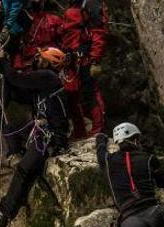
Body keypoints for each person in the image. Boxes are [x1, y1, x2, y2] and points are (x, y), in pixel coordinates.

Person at [0, 47, 70, 227]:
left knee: (24, 170)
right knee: (12, 131)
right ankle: (15, 151)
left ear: (48, 62)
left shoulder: (48, 77)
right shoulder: (45, 85)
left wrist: (2, 61)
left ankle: (2, 217)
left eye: (40, 57)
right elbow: (18, 89)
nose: (36, 59)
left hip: (50, 139)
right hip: (44, 134)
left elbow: (18, 79)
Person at [61, 0, 108, 139]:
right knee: (71, 95)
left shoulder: (91, 4)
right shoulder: (73, 8)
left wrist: (95, 59)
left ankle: (98, 130)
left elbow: (99, 32)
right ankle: (79, 130)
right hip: (71, 60)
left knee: (90, 92)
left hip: (85, 58)